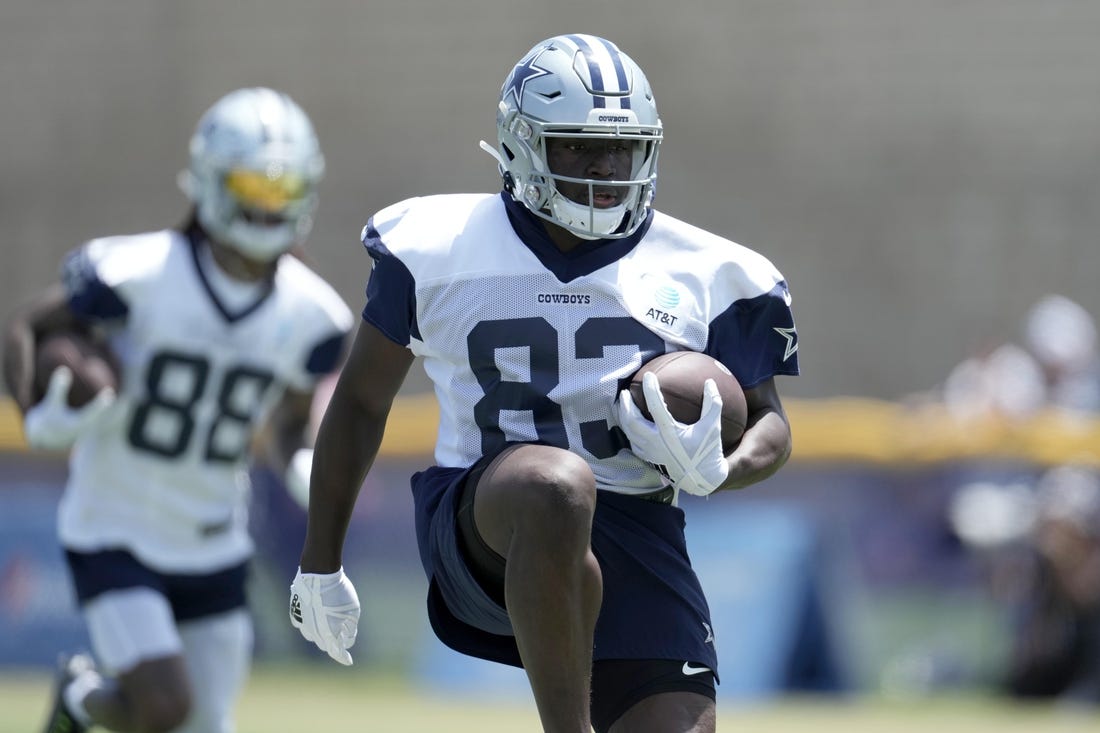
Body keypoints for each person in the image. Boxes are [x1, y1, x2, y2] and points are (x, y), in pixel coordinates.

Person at [290, 34, 798, 733]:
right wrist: (320, 561)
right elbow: (361, 401)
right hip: (488, 520)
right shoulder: (439, 248)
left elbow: (772, 423)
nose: (605, 168)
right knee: (557, 485)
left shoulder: (710, 270)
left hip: (637, 526)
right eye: (578, 147)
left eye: (621, 150)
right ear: (522, 143)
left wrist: (721, 467)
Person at [3, 87, 353, 733]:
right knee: (166, 703)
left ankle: (83, 703)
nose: (267, 203)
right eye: (253, 184)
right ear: (212, 182)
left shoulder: (313, 316)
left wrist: (301, 460)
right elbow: (26, 325)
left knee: (203, 722)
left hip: (213, 536)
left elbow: (289, 421)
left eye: (282, 188)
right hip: (114, 526)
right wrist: (34, 410)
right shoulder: (135, 271)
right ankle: (83, 699)